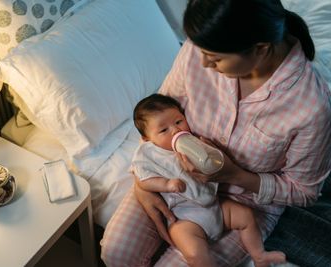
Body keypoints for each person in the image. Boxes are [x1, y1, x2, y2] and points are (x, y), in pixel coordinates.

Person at [101, 0, 331, 266]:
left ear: (260, 49)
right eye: (199, 49)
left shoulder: (311, 108)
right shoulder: (202, 48)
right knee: (116, 252)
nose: (203, 62)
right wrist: (142, 182)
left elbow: (304, 191)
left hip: (241, 203)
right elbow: (157, 115)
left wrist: (235, 175)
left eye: (216, 58)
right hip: (170, 175)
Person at [131, 93, 286, 267]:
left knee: (246, 216)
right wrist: (165, 184)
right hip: (186, 217)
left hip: (216, 206)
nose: (176, 130)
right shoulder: (149, 154)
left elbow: (215, 163)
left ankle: (259, 255)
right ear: (147, 139)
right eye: (163, 130)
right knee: (193, 251)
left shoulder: (194, 143)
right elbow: (143, 179)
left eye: (178, 122)